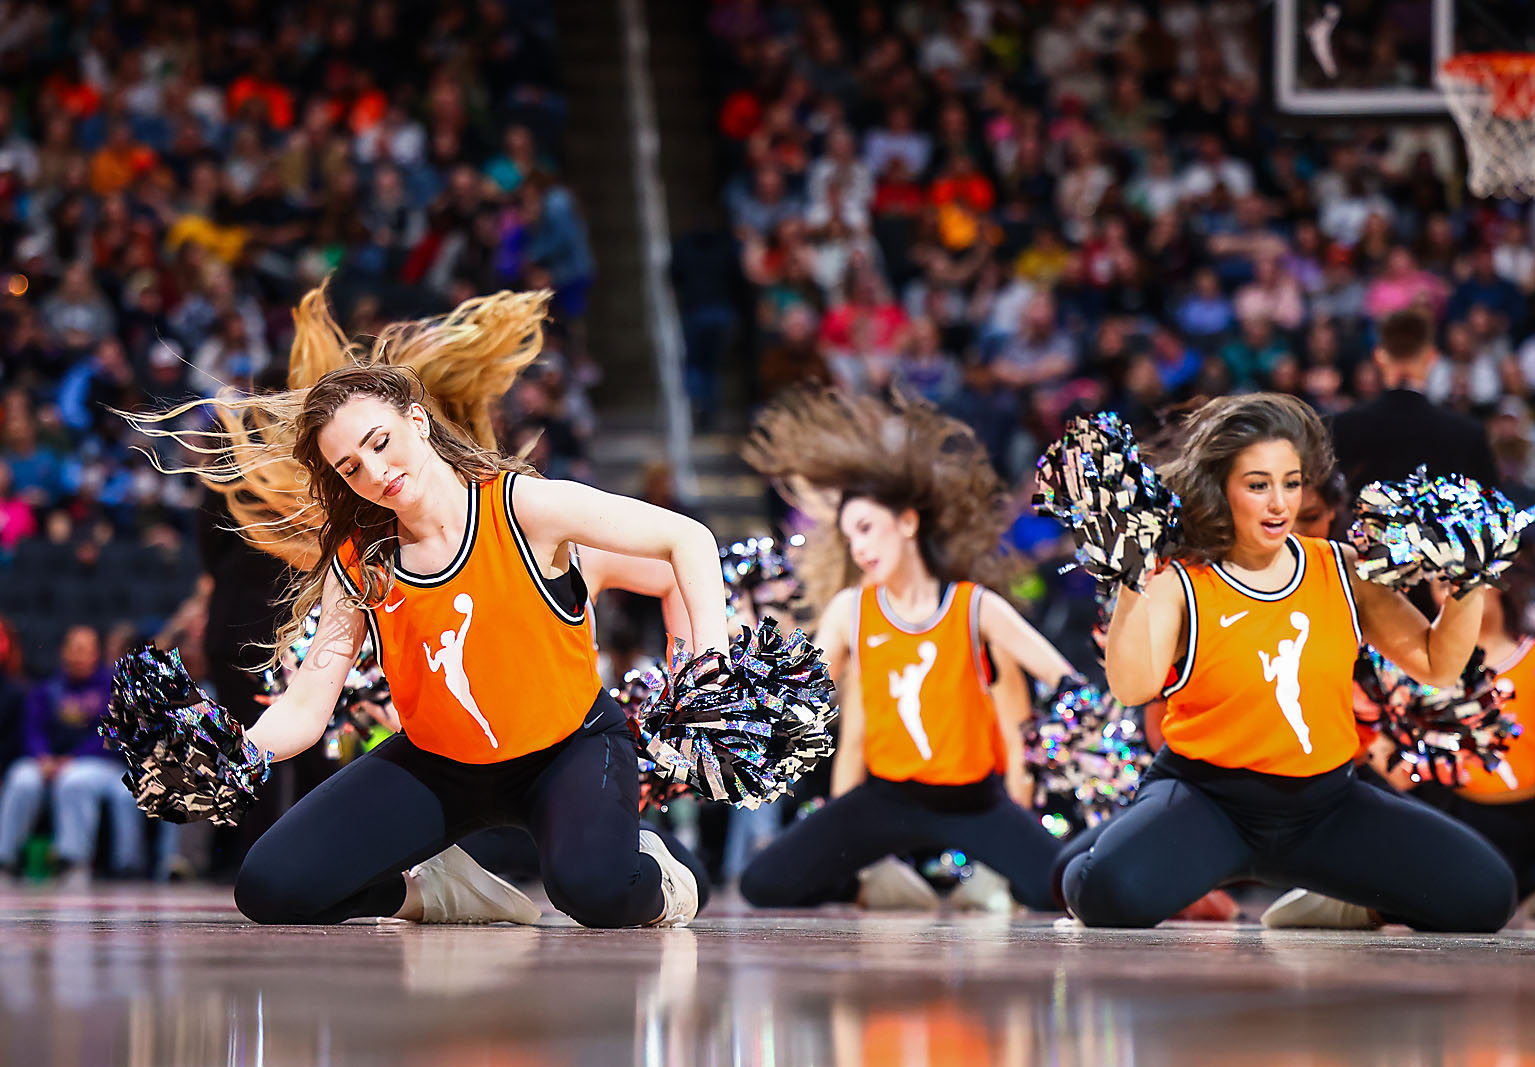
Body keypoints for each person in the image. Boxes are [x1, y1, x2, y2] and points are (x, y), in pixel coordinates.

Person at [139, 288, 725, 928]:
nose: (374, 470)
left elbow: (688, 540)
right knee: (270, 888)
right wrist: (237, 752)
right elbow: (308, 706)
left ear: (418, 422)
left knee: (595, 892)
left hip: (568, 749)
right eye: (351, 467)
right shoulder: (358, 560)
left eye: (380, 441)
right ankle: (442, 894)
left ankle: (667, 874)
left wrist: (710, 674)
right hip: (440, 765)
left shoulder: (525, 508)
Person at [1061, 393, 1518, 931]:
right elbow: (1132, 687)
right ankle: (1108, 858)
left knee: (1486, 896)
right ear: (1221, 488)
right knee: (1106, 896)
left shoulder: (1342, 569)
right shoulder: (1179, 579)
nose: (1280, 504)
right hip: (1208, 802)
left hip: (1327, 807)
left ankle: (1342, 897)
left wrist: (1470, 580)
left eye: (1291, 483)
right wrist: (1129, 571)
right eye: (1258, 485)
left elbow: (1438, 665)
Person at [737, 390, 1079, 913]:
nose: (860, 549)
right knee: (763, 884)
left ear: (909, 522)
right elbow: (798, 698)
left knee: (1059, 891)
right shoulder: (850, 610)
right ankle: (874, 883)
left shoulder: (973, 606)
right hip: (886, 799)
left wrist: (1067, 754)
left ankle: (992, 879)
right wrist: (750, 649)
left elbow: (1062, 680)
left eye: (868, 529)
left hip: (974, 801)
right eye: (851, 537)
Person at [1266, 578, 1535, 928]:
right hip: (1470, 825)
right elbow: (1398, 772)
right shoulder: (1422, 675)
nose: (1453, 592)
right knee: (1466, 900)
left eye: (1461, 580)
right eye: (1442, 585)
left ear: (1496, 579)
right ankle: (1363, 902)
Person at [0, 626, 149, 885]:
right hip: (48, 761)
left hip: (100, 764)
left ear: (95, 654)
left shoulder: (112, 688)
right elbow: (32, 729)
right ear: (63, 652)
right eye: (73, 648)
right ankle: (6, 857)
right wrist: (42, 756)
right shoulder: (47, 688)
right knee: (21, 779)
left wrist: (72, 758)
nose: (78, 655)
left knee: (74, 781)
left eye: (85, 649)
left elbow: (108, 735)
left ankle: (73, 859)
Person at [1329, 308, 1497, 494]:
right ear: (1431, 357)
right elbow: (1493, 510)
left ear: (1379, 356)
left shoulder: (1341, 427)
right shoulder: (1467, 434)